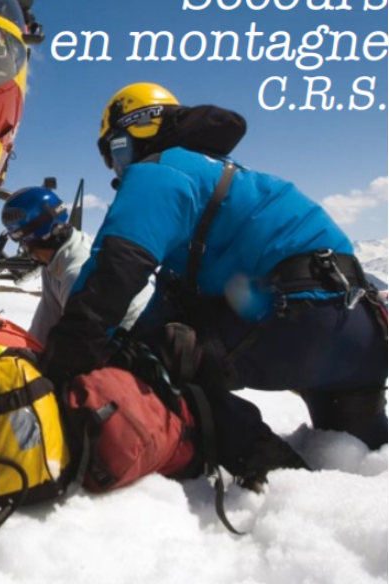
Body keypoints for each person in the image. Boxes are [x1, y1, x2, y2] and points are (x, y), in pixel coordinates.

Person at [42, 83, 388, 486]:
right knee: (363, 458)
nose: (116, 169)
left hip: (296, 325)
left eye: (114, 152)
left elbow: (116, 267)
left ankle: (272, 471)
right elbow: (168, 303)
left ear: (138, 130)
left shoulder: (158, 170)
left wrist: (67, 354)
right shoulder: (221, 174)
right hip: (359, 332)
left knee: (151, 361)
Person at [1, 186, 151, 346]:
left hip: (136, 344)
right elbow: (45, 324)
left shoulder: (78, 273)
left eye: (19, 240)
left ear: (28, 239)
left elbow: (83, 344)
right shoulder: (53, 262)